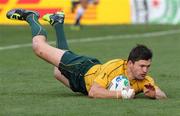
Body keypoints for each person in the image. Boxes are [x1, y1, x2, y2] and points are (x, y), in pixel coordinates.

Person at [6, 8, 167, 99]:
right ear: (130, 63)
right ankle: (32, 17)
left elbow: (161, 94)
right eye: (142, 66)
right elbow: (94, 92)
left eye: (148, 66)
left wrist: (154, 94)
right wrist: (121, 94)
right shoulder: (115, 66)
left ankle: (57, 22)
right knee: (39, 47)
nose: (145, 70)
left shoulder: (143, 80)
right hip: (81, 68)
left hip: (82, 83)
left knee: (57, 71)